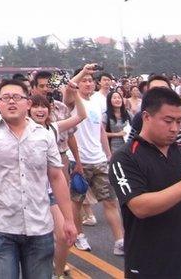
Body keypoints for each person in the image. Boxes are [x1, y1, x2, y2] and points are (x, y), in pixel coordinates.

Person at [109, 87, 181, 277]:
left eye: (179, 121)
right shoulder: (125, 157)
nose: (175, 128)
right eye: (168, 121)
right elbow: (139, 206)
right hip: (152, 266)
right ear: (147, 117)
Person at [0, 79, 76, 279]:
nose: (11, 102)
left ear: (28, 103)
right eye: (5, 98)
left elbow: (56, 177)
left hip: (39, 226)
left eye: (17, 97)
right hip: (0, 227)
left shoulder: (44, 136)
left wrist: (68, 219)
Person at [63, 65, 124, 255]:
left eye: (90, 80)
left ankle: (120, 241)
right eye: (84, 80)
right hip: (78, 160)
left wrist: (108, 155)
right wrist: (83, 71)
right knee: (77, 201)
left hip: (98, 159)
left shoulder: (98, 102)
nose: (88, 83)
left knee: (110, 201)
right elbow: (68, 88)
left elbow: (100, 131)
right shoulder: (73, 101)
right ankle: (79, 236)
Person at [28, 89, 86, 279]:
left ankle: (58, 273)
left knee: (63, 236)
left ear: (49, 109)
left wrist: (75, 92)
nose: (39, 110)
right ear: (28, 109)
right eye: (35, 106)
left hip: (50, 190)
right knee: (31, 242)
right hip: (28, 192)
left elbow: (81, 116)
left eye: (43, 106)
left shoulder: (53, 128)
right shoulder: (20, 129)